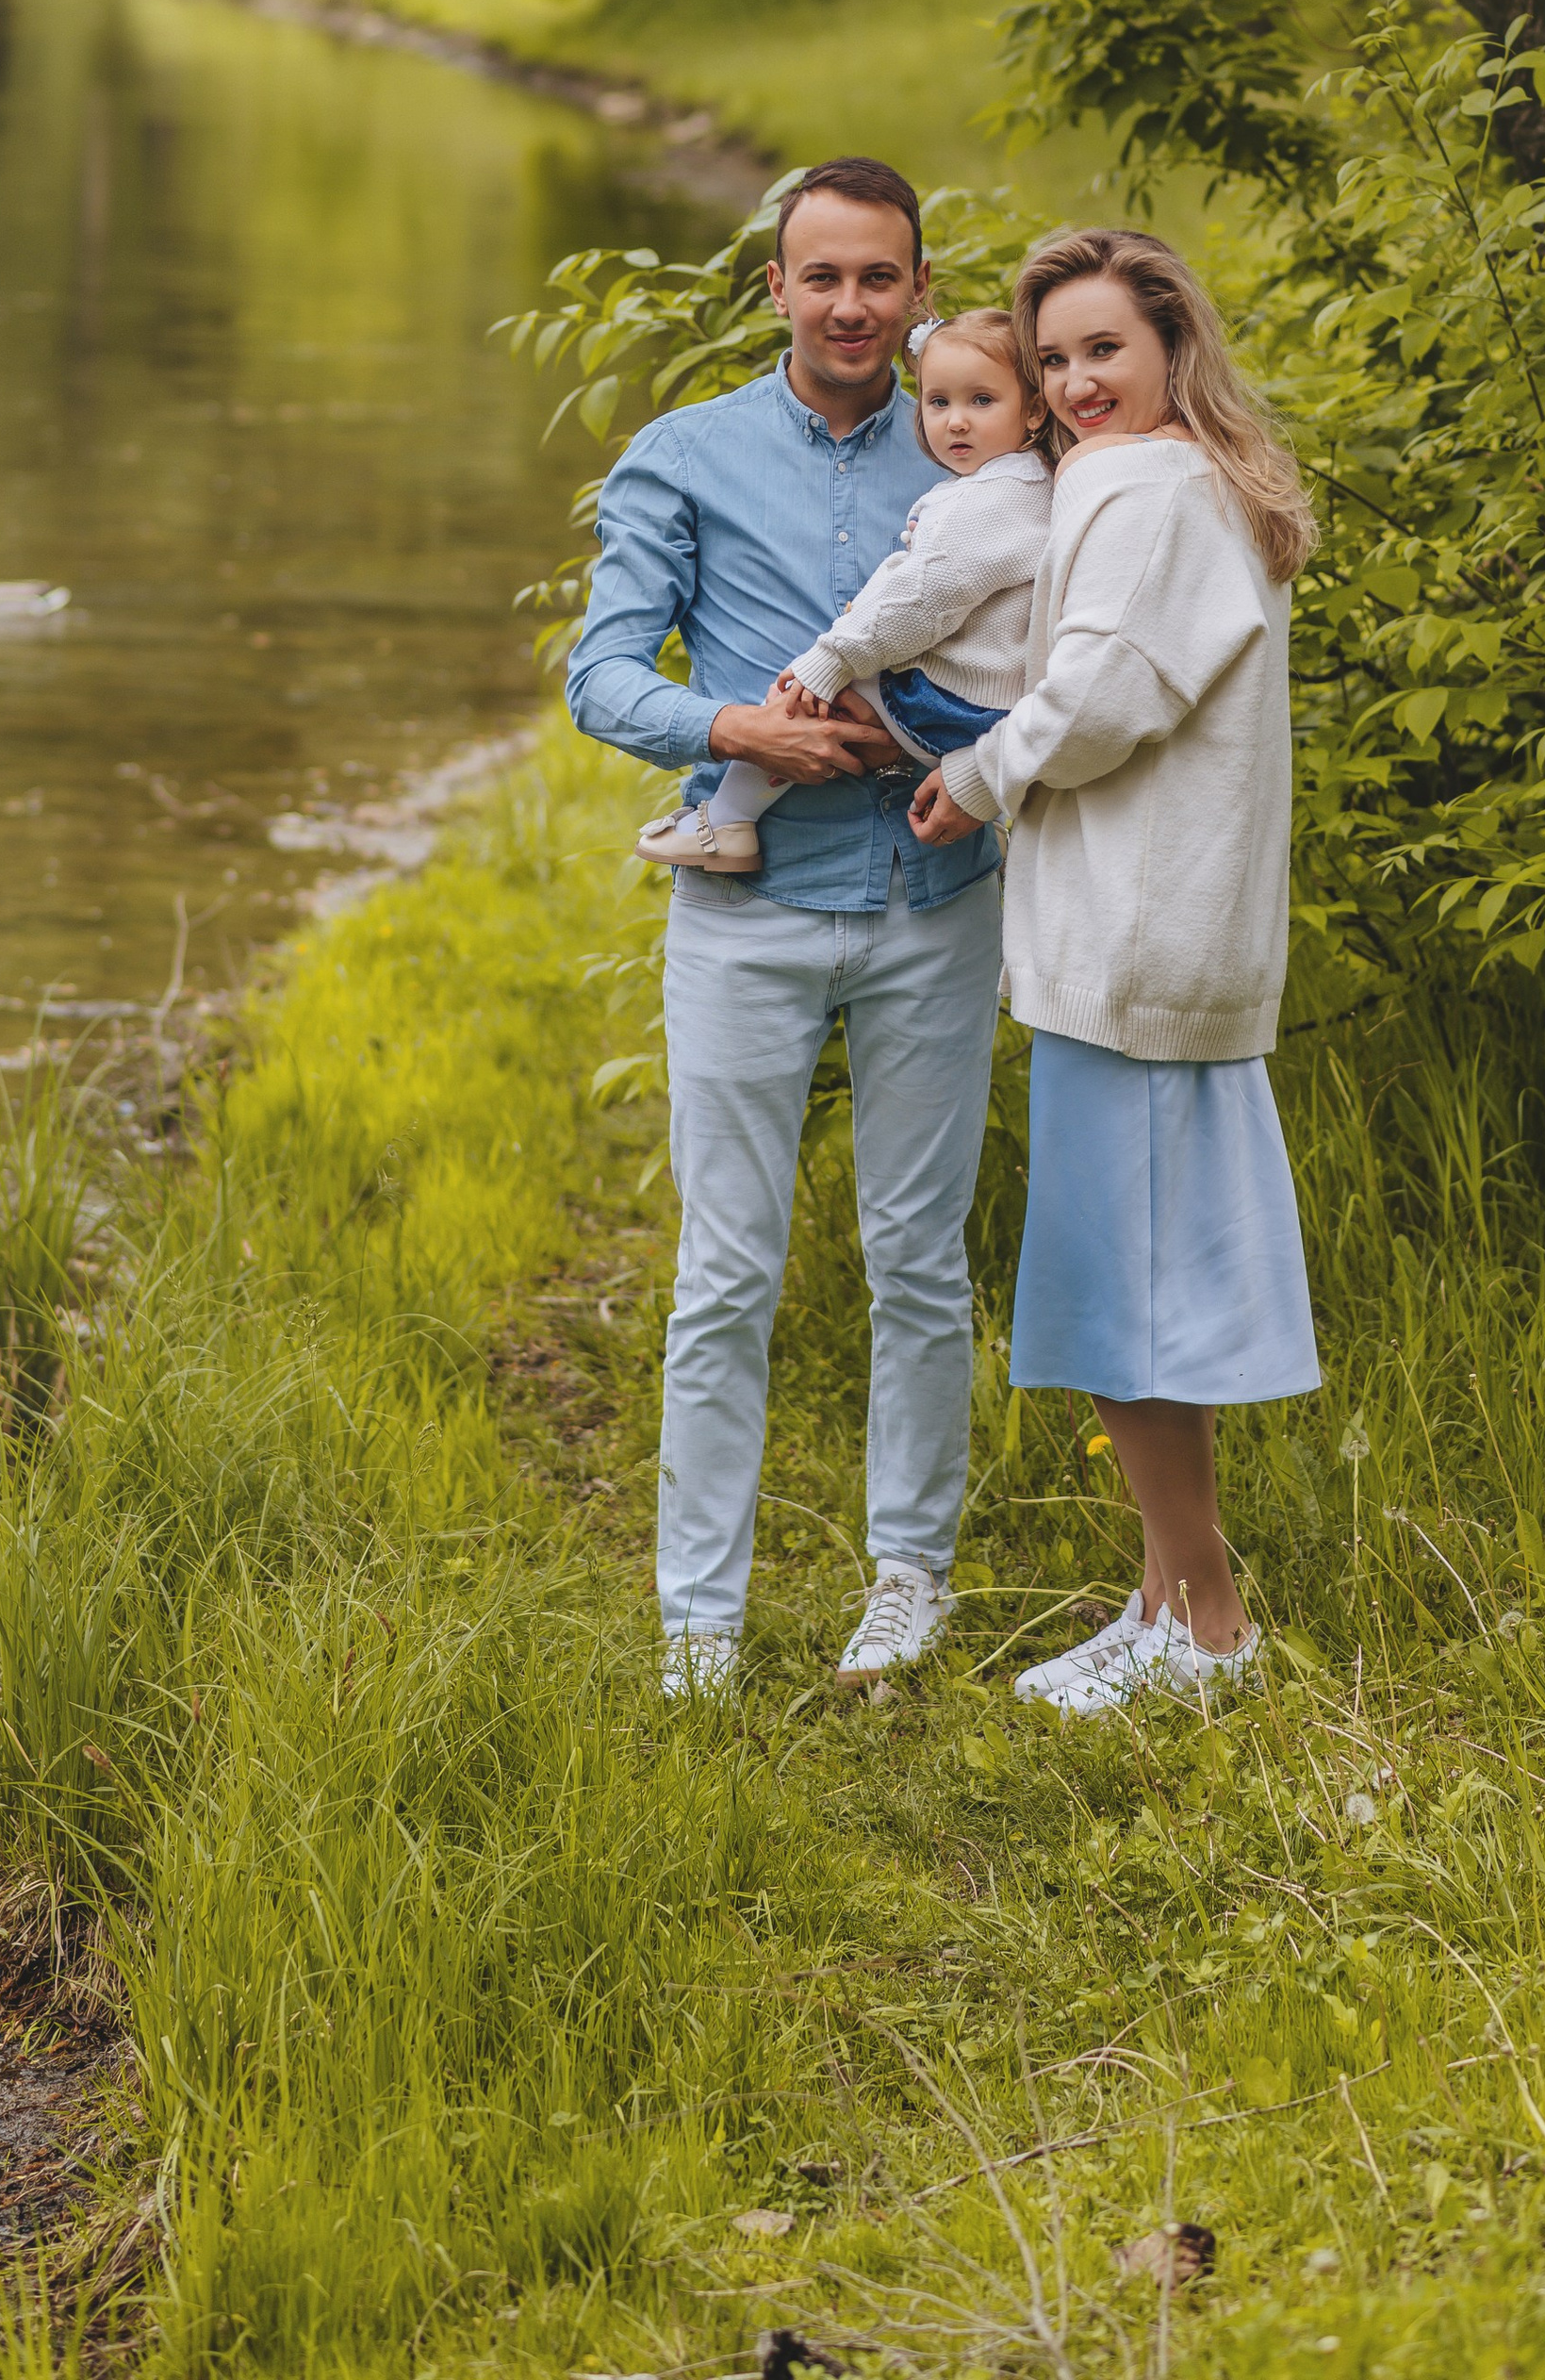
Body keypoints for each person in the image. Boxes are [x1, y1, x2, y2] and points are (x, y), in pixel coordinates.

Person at [564, 159, 1007, 1699]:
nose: (850, 306)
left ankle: (910, 1581)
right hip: (742, 913)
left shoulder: (986, 449)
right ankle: (699, 1622)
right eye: (821, 276)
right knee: (727, 1275)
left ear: (918, 289)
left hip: (933, 901)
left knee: (919, 1259)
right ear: (775, 287)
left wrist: (949, 750)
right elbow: (600, 676)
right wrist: (733, 720)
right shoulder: (682, 458)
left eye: (879, 278)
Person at [910, 225, 1321, 1716]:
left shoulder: (1146, 489)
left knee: (1123, 1296)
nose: (1079, 383)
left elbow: (1101, 695)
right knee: (1136, 1287)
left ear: (1170, 351)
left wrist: (974, 774)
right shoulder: (1180, 482)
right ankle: (1162, 1602)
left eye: (1105, 351)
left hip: (1136, 950)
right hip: (1156, 945)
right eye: (1056, 359)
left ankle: (1207, 1629)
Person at [633, 306, 1054, 874]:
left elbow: (921, 599)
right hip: (987, 706)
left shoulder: (988, 499)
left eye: (982, 401)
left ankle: (728, 822)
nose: (956, 422)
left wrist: (829, 659)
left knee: (801, 703)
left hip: (946, 698)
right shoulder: (1026, 485)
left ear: (1032, 411)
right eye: (938, 402)